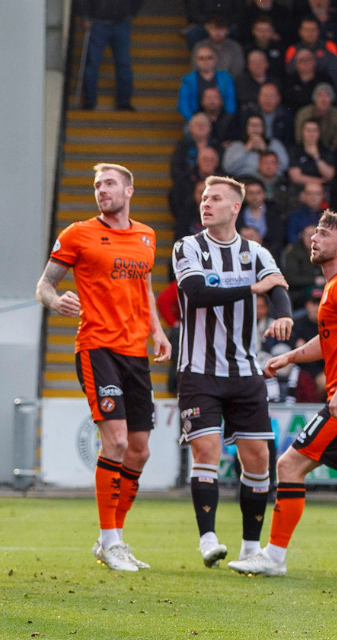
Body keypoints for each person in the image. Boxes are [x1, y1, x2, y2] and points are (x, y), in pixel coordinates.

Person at [232, 211, 337, 577]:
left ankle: (273, 557)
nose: (315, 238)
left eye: (324, 233)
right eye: (315, 231)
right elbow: (330, 341)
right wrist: (289, 356)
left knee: (289, 465)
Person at [36, 163, 172, 571]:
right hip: (97, 348)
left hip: (136, 352)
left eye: (109, 184)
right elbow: (44, 284)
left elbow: (145, 288)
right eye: (97, 185)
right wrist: (55, 301)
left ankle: (113, 538)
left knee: (140, 450)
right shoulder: (77, 233)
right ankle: (110, 541)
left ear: (129, 190)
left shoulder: (147, 236)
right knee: (114, 442)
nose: (102, 190)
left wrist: (158, 332)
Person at [171, 176, 295, 569]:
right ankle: (207, 538)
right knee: (206, 449)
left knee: (257, 458)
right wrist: (252, 288)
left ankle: (250, 548)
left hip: (244, 369)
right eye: (204, 197)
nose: (206, 203)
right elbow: (198, 292)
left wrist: (283, 316)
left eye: (216, 198)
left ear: (235, 207)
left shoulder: (256, 252)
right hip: (199, 369)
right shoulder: (187, 247)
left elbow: (277, 286)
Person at [76, 0, 141, 111]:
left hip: (117, 22)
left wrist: (131, 13)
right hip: (100, 22)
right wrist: (85, 16)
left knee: (122, 63)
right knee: (94, 64)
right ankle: (90, 101)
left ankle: (122, 102)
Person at [180, 45, 238, 120]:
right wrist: (193, 120)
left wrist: (227, 119)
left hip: (222, 119)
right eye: (201, 59)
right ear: (196, 61)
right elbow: (183, 104)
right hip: (197, 118)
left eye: (209, 58)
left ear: (215, 59)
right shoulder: (188, 80)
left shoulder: (225, 77)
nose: (205, 61)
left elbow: (230, 100)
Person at [237, 177, 287, 259]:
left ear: (264, 194)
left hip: (270, 256)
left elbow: (279, 239)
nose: (255, 197)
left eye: (258, 193)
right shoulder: (237, 214)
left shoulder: (275, 213)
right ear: (245, 195)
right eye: (251, 193)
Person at [223, 114, 289, 175]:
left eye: (258, 125)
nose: (255, 128)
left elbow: (284, 167)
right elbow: (228, 168)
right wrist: (245, 150)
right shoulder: (236, 145)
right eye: (252, 125)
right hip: (245, 179)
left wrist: (266, 150)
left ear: (263, 128)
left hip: (270, 180)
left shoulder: (275, 144)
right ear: (246, 127)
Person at [285, 16, 337, 83]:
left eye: (313, 29)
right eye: (306, 30)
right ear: (300, 32)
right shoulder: (292, 50)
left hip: (325, 87)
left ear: (319, 31)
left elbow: (334, 73)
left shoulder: (330, 46)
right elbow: (290, 73)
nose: (310, 33)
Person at [287, 118, 337, 189]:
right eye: (308, 130)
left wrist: (316, 157)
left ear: (319, 133)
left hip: (322, 190)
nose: (311, 134)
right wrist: (320, 181)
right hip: (301, 189)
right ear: (302, 132)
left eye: (314, 131)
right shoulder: (294, 150)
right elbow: (295, 177)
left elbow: (329, 175)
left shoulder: (326, 151)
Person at [294, 83, 337, 150]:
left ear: (331, 99)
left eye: (327, 95)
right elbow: (299, 137)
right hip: (306, 149)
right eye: (320, 95)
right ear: (315, 98)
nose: (323, 99)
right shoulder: (304, 113)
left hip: (330, 151)